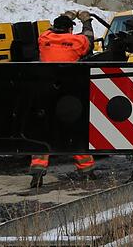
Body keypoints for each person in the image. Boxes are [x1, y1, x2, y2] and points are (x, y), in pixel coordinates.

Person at [29, 12, 97, 188]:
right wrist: (86, 21)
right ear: (70, 29)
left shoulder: (44, 39)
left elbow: (49, 30)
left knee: (43, 133)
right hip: (69, 95)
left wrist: (66, 16)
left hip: (46, 93)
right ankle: (87, 171)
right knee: (74, 130)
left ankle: (37, 173)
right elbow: (89, 40)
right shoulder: (76, 41)